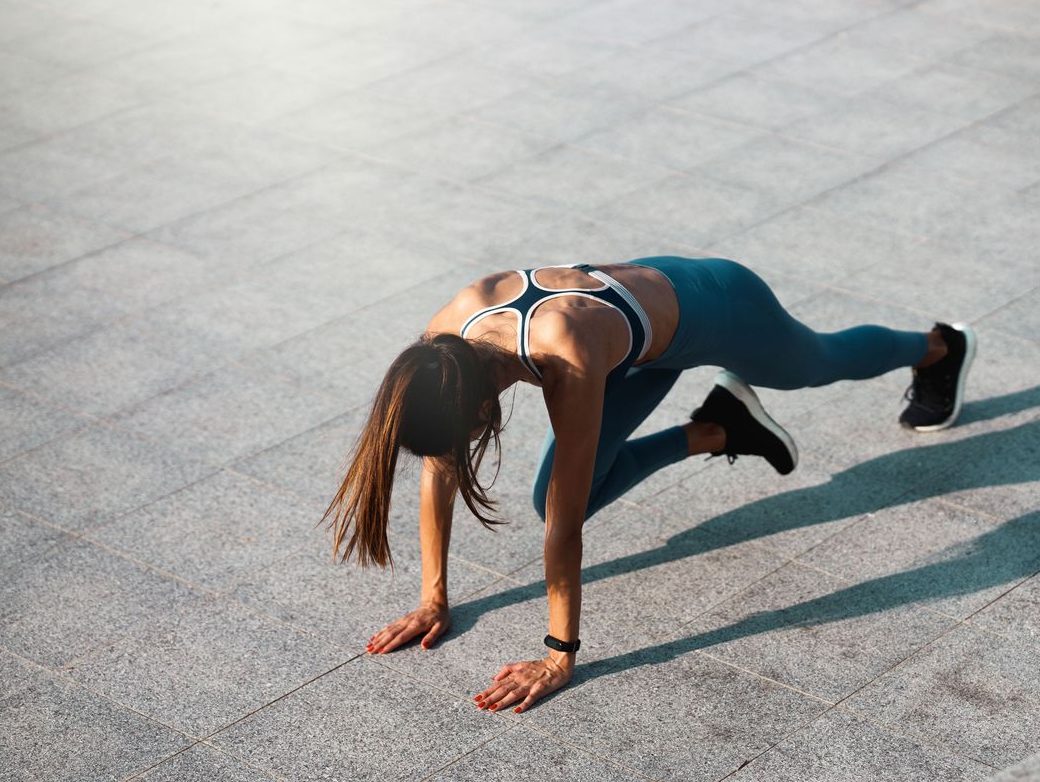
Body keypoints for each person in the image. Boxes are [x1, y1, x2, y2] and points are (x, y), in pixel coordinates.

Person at [321, 256, 976, 714]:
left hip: (717, 305)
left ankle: (940, 347)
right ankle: (723, 428)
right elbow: (440, 466)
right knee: (551, 486)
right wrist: (433, 599)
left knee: (817, 362)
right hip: (637, 337)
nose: (461, 450)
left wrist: (559, 655)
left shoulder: (565, 357)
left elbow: (565, 523)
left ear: (476, 404)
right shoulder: (445, 344)